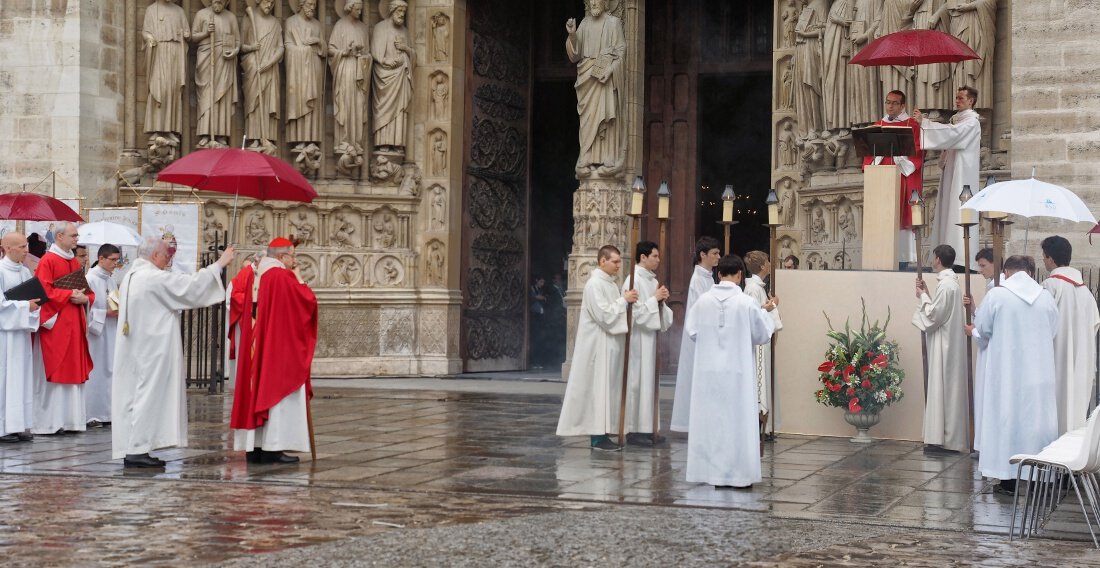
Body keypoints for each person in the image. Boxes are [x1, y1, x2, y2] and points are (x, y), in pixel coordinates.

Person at [112, 237, 234, 468]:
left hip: (140, 348)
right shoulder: (150, 277)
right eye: (166, 255)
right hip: (152, 350)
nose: (168, 260)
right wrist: (219, 264)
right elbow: (190, 286)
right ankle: (137, 449)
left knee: (137, 396)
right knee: (147, 397)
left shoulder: (132, 275)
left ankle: (137, 447)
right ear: (154, 255)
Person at [966, 255, 1059, 494]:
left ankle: (1008, 479)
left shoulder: (997, 295)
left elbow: (983, 329)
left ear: (1007, 272)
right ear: (1029, 272)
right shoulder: (1045, 297)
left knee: (1007, 421)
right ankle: (1038, 477)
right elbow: (1053, 330)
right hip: (1038, 373)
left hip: (1006, 374)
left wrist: (974, 333)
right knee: (1035, 424)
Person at [684, 255, 775, 488]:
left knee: (713, 421)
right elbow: (762, 334)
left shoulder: (703, 301)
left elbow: (692, 331)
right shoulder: (745, 303)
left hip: (709, 374)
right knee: (737, 422)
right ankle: (738, 475)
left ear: (718, 274)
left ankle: (713, 473)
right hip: (738, 373)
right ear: (739, 275)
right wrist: (767, 313)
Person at [231, 238, 317, 465]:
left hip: (255, 346)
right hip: (277, 348)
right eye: (292, 255)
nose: (294, 260)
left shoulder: (254, 273)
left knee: (255, 388)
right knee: (276, 391)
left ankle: (255, 448)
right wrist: (299, 276)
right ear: (281, 257)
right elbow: (307, 302)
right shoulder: (282, 276)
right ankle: (273, 447)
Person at [556, 245, 638, 451]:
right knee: (597, 390)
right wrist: (623, 301)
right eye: (615, 261)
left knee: (607, 389)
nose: (619, 266)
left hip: (610, 346)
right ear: (602, 261)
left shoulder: (610, 284)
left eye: (620, 261)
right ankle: (597, 437)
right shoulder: (594, 284)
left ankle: (604, 432)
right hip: (597, 346)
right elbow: (604, 315)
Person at [33, 222, 93, 435]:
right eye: (73, 235)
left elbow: (87, 291)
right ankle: (49, 422)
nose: (77, 239)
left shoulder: (74, 263)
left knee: (73, 368)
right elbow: (43, 293)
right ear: (59, 236)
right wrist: (69, 295)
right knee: (57, 368)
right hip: (56, 325)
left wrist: (85, 297)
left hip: (74, 322)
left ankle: (71, 420)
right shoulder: (48, 260)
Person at [913, 87, 981, 269]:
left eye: (961, 98)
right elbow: (951, 135)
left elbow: (953, 134)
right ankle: (946, 255)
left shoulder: (972, 122)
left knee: (957, 209)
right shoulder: (959, 120)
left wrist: (925, 123)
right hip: (953, 170)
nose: (957, 101)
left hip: (962, 174)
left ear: (971, 101)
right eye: (956, 97)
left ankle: (959, 258)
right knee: (948, 209)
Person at [912, 245, 968, 454]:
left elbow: (935, 316)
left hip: (944, 345)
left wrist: (922, 297)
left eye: (933, 257)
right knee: (946, 390)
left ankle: (945, 439)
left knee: (944, 389)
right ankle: (940, 437)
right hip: (947, 342)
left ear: (937, 259)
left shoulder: (946, 285)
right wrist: (926, 292)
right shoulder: (950, 283)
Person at [1040, 236, 1100, 434]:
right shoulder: (1086, 292)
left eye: (1044, 256)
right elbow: (1094, 325)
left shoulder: (1051, 285)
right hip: (1081, 359)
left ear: (1050, 259)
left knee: (1056, 405)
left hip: (1056, 357)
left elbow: (1041, 323)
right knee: (1074, 406)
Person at [565, 0, 626, 177]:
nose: (593, 2)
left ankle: (608, 159)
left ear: (606, 2)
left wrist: (610, 70)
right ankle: (585, 160)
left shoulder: (613, 23)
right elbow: (575, 55)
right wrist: (572, 35)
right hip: (587, 79)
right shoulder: (584, 24)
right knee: (588, 120)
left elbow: (621, 52)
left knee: (606, 118)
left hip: (604, 78)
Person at [620, 241, 673, 446]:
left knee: (649, 383)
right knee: (637, 383)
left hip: (650, 339)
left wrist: (661, 301)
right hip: (637, 341)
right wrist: (654, 300)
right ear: (643, 257)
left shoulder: (652, 280)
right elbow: (634, 314)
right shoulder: (632, 279)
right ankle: (634, 430)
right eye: (655, 256)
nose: (658, 260)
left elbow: (660, 313)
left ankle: (649, 427)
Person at [863, 90, 924, 264]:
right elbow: (867, 153)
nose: (890, 106)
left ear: (903, 105)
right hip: (882, 179)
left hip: (902, 176)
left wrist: (899, 156)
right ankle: (878, 255)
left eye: (894, 103)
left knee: (901, 212)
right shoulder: (877, 125)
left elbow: (918, 150)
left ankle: (903, 258)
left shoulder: (912, 125)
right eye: (888, 102)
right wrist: (878, 155)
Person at [670, 237, 720, 433]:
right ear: (703, 254)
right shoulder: (698, 279)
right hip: (700, 337)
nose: (718, 257)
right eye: (715, 253)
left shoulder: (707, 277)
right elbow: (702, 310)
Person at [0, 233, 41, 443]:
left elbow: (34, 297)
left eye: (26, 246)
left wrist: (33, 305)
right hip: (4, 337)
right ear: (7, 248)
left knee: (22, 378)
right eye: (22, 247)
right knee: (5, 379)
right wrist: (26, 306)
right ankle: (3, 427)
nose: (26, 250)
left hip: (21, 334)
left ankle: (20, 424)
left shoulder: (25, 271)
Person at [742, 251, 782, 435]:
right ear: (762, 266)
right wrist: (770, 306)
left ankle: (765, 424)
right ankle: (758, 420)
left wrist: (769, 306)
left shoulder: (759, 287)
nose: (769, 263)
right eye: (767, 261)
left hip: (763, 341)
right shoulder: (752, 288)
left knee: (765, 377)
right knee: (760, 378)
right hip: (758, 342)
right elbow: (750, 314)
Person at [84, 244, 121, 427]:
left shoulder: (111, 280)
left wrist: (119, 309)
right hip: (96, 335)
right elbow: (83, 310)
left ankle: (108, 413)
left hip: (111, 330)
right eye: (113, 260)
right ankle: (92, 414)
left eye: (117, 260)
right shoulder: (89, 279)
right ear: (101, 259)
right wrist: (105, 313)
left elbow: (114, 303)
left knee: (110, 370)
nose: (116, 264)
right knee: (96, 371)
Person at [963, 247, 996, 452]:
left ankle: (984, 445)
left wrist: (973, 331)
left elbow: (986, 329)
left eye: (983, 265)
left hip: (991, 351)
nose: (980, 270)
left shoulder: (995, 286)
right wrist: (975, 309)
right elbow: (986, 319)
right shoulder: (994, 285)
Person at [371, 0, 415, 152]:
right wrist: (385, 61)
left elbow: (413, 55)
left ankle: (397, 143)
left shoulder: (405, 31)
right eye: (399, 11)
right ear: (391, 11)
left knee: (400, 110)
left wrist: (405, 49)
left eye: (403, 12)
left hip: (401, 75)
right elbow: (375, 52)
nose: (401, 15)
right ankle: (383, 142)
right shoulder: (380, 28)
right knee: (384, 107)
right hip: (384, 75)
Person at [328, 0, 371, 155]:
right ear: (350, 8)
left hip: (359, 71)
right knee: (345, 105)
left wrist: (363, 55)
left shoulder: (363, 28)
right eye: (357, 9)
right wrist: (344, 51)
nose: (359, 12)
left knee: (359, 106)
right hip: (345, 69)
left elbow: (369, 54)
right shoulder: (340, 25)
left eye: (361, 9)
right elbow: (330, 49)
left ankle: (356, 141)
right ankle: (344, 141)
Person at [141, 0, 190, 136]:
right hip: (159, 51)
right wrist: (149, 38)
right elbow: (145, 31)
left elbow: (187, 33)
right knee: (159, 89)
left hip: (175, 53)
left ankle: (170, 129)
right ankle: (157, 128)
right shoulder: (151, 9)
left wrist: (186, 35)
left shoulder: (179, 11)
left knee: (172, 90)